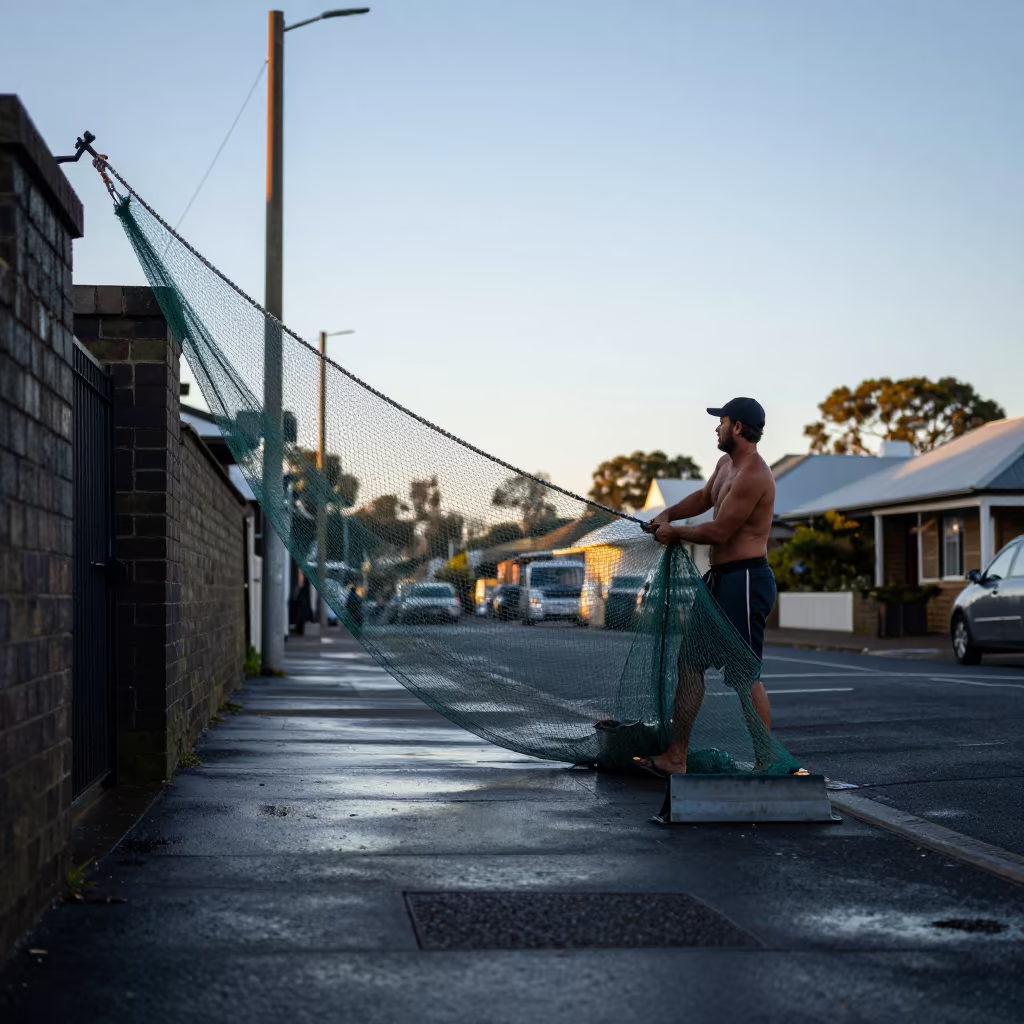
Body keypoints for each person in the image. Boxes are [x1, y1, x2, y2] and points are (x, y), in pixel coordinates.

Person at [633, 397, 777, 776]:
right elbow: (702, 498)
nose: (716, 428)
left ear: (738, 427)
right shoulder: (725, 465)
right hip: (718, 579)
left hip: (746, 581)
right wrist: (667, 514)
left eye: (722, 421)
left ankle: (767, 762)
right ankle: (677, 757)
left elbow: (720, 530)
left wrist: (675, 533)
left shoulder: (755, 475)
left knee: (744, 675)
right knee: (690, 662)